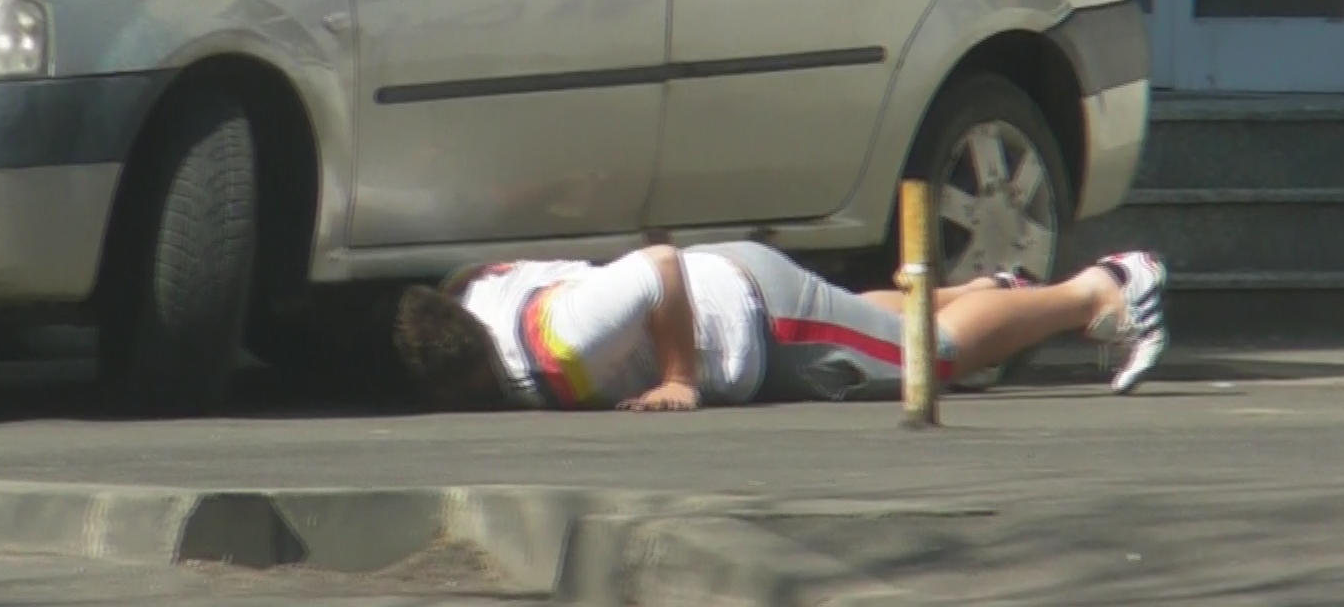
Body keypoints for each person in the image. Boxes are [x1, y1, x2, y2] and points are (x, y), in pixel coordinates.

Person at [391, 237, 1168, 412]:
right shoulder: (474, 296)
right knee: (868, 323)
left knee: (935, 357)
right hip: (739, 282)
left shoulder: (564, 342)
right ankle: (992, 291)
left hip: (761, 323)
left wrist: (678, 379)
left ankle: (1105, 289)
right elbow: (473, 271)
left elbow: (653, 262)